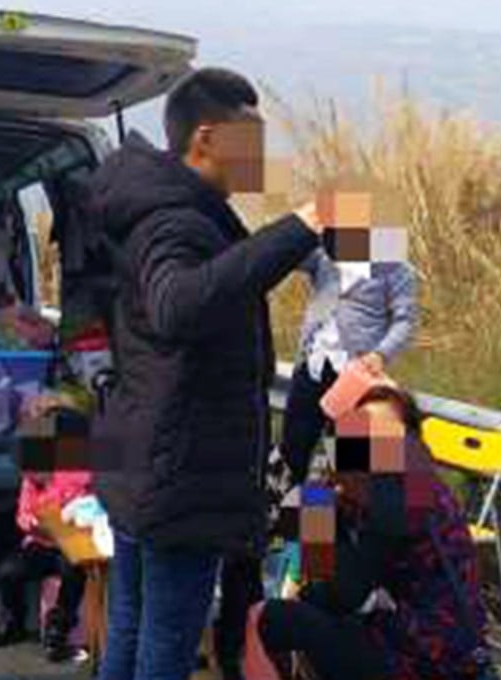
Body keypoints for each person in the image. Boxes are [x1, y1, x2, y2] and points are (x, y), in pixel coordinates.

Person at [87, 66, 326, 680]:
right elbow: (179, 306)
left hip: (148, 462)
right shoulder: (175, 222)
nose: (262, 157)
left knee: (133, 625)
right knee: (165, 643)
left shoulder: (171, 211)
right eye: (252, 140)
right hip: (179, 475)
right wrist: (302, 226)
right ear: (206, 138)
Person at [246, 383, 498, 680]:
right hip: (431, 643)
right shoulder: (405, 483)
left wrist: (320, 515)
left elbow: (341, 596)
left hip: (430, 657)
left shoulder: (401, 492)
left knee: (267, 619)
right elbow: (323, 589)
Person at [268, 233, 419, 500]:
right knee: (292, 453)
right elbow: (290, 255)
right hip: (313, 365)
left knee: (344, 466)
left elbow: (405, 320)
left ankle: (329, 535)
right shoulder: (324, 254)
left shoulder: (395, 265)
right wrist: (305, 229)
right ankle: (280, 528)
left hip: (355, 376)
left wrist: (381, 354)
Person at [0, 466, 90, 664]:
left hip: (73, 542)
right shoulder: (31, 479)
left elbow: (89, 508)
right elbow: (22, 514)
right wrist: (32, 522)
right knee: (7, 572)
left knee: (73, 573)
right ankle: (13, 623)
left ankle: (59, 629)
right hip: (41, 543)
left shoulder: (78, 475)